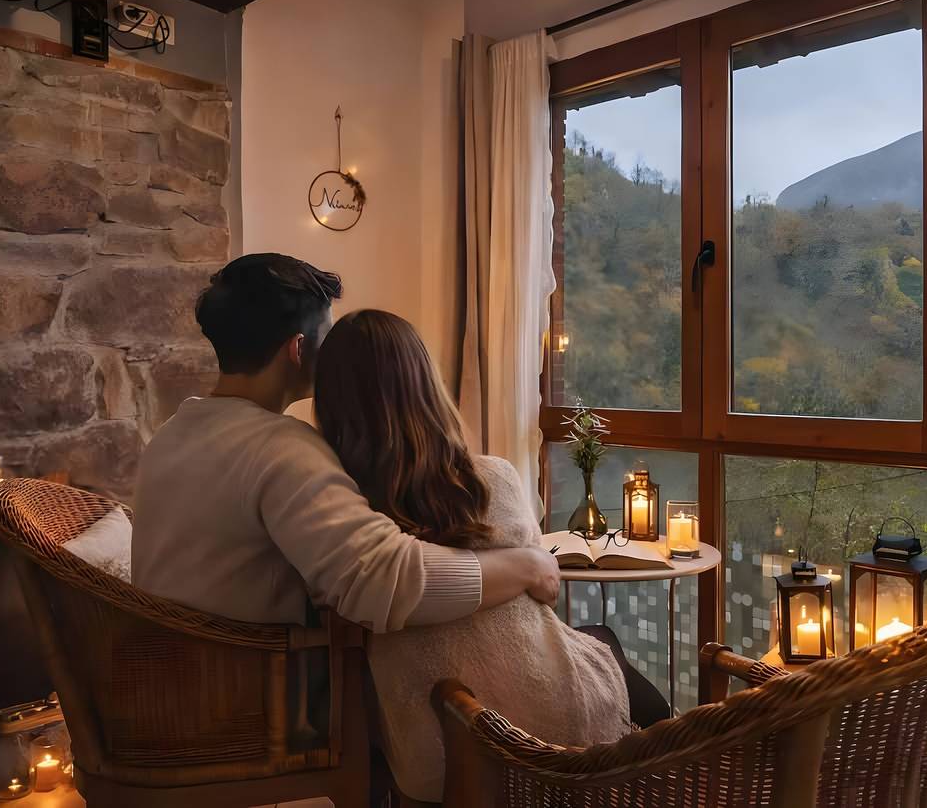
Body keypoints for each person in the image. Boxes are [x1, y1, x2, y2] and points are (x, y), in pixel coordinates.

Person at [314, 309, 663, 803]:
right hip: (541, 726)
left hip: (432, 746)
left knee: (599, 643)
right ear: (425, 386)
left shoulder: (341, 509)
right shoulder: (492, 479)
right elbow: (548, 591)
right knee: (607, 649)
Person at [132, 254, 561, 634]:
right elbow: (383, 580)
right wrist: (528, 565)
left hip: (173, 687)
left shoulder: (173, 433)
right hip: (254, 700)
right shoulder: (280, 449)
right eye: (328, 339)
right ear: (299, 349)